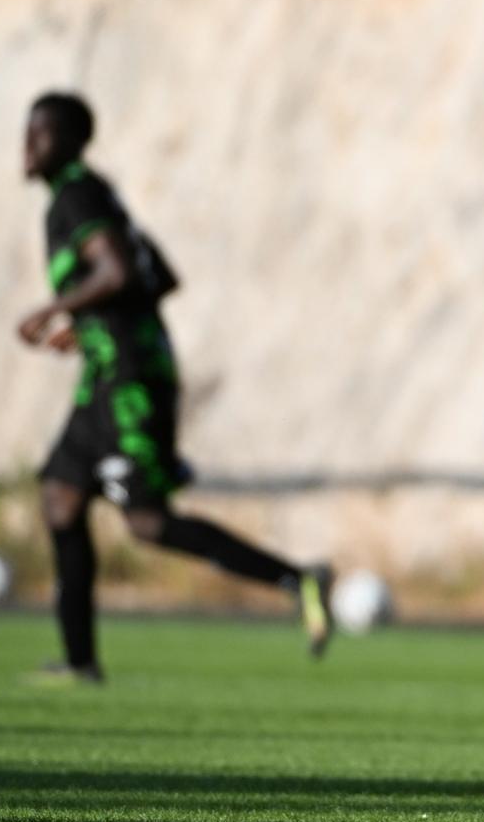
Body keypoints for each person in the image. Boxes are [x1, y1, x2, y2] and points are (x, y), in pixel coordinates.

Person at [17, 91, 332, 683]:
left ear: (73, 141)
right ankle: (79, 661)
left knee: (148, 523)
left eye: (41, 133)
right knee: (61, 496)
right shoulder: (94, 194)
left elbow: (121, 272)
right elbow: (159, 275)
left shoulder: (77, 197)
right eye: (26, 133)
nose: (27, 146)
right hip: (108, 376)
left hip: (130, 384)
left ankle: (298, 579)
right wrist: (87, 328)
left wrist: (52, 310)